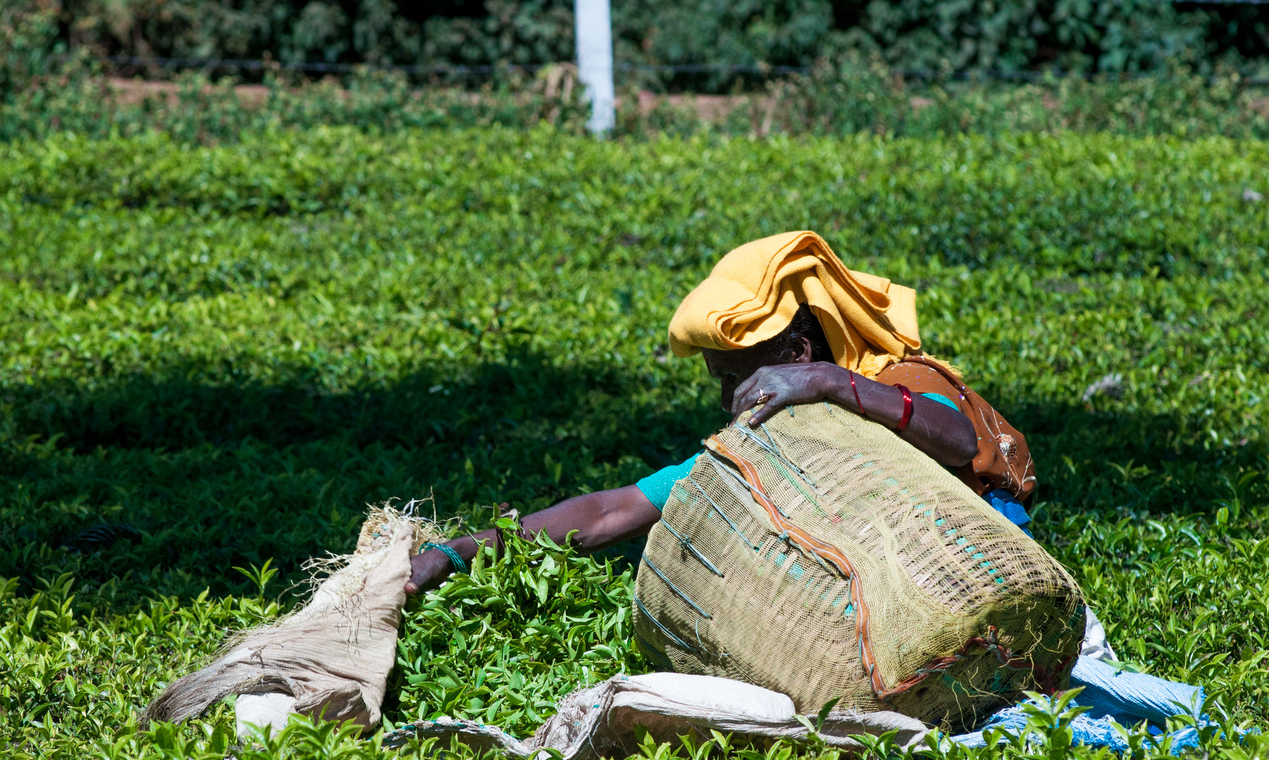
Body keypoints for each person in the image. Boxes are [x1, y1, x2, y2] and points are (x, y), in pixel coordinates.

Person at [405, 231, 1038, 596]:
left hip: (984, 575)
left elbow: (958, 442)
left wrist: (828, 381)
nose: (730, 398)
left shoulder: (894, 382)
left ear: (794, 356)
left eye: (736, 378)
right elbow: (614, 511)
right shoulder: (771, 432)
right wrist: (471, 548)